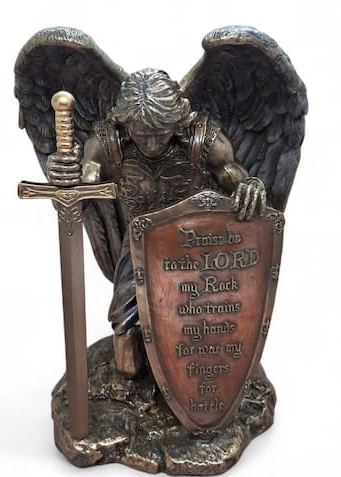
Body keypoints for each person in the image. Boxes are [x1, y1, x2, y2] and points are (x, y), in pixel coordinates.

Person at [46, 68, 266, 377]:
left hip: (194, 243)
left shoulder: (203, 141)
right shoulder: (108, 143)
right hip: (139, 243)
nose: (151, 144)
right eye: (142, 134)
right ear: (126, 124)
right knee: (125, 344)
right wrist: (65, 177)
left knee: (196, 327)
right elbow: (83, 185)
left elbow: (235, 177)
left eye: (159, 133)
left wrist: (251, 185)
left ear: (177, 121)